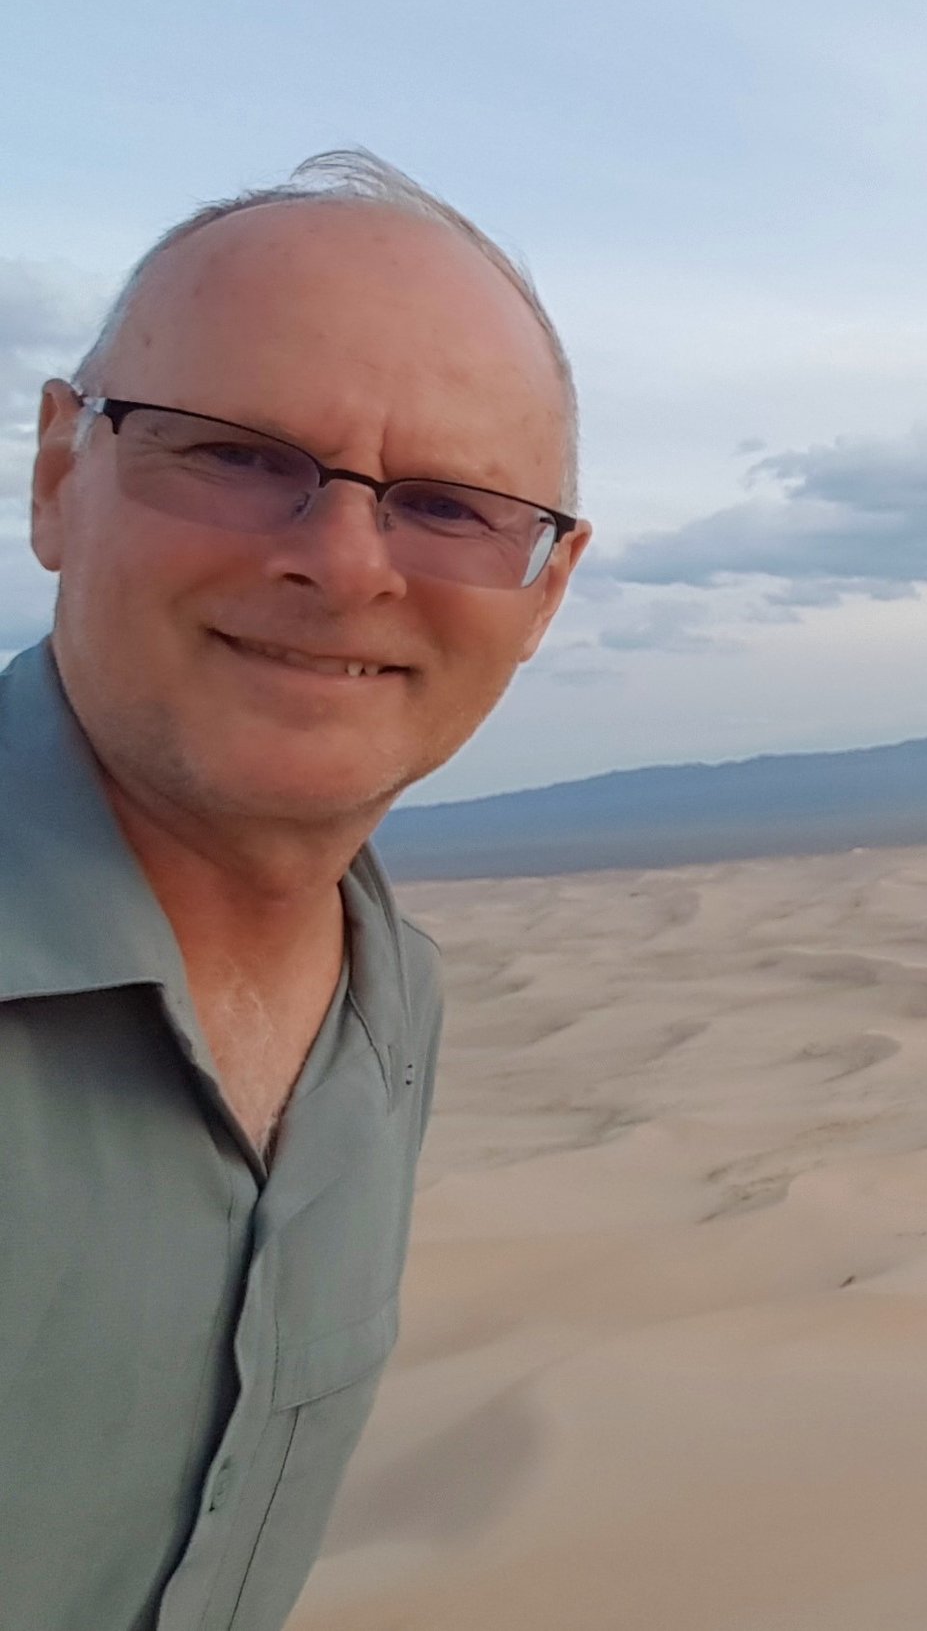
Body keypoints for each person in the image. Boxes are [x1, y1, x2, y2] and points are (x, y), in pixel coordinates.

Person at [0, 150, 589, 1630]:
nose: (341, 562)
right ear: (60, 473)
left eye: (450, 505)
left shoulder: (391, 1012)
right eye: (233, 452)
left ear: (545, 592)